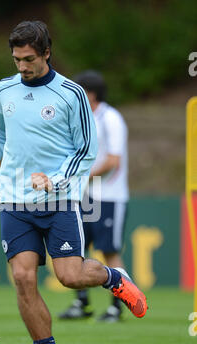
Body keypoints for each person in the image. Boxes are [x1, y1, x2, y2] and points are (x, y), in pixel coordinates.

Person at [0, 20, 147, 344]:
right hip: (14, 201)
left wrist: (57, 180)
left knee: (71, 276)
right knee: (22, 277)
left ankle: (113, 277)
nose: (23, 66)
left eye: (29, 59)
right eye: (17, 59)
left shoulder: (72, 94)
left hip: (59, 200)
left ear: (47, 53)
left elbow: (86, 150)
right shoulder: (5, 90)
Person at [58, 71, 129, 323]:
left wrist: (82, 176)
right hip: (84, 196)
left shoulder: (111, 118)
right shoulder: (83, 119)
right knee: (79, 249)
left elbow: (113, 160)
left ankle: (117, 306)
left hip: (109, 196)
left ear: (90, 94)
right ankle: (82, 303)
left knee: (109, 250)